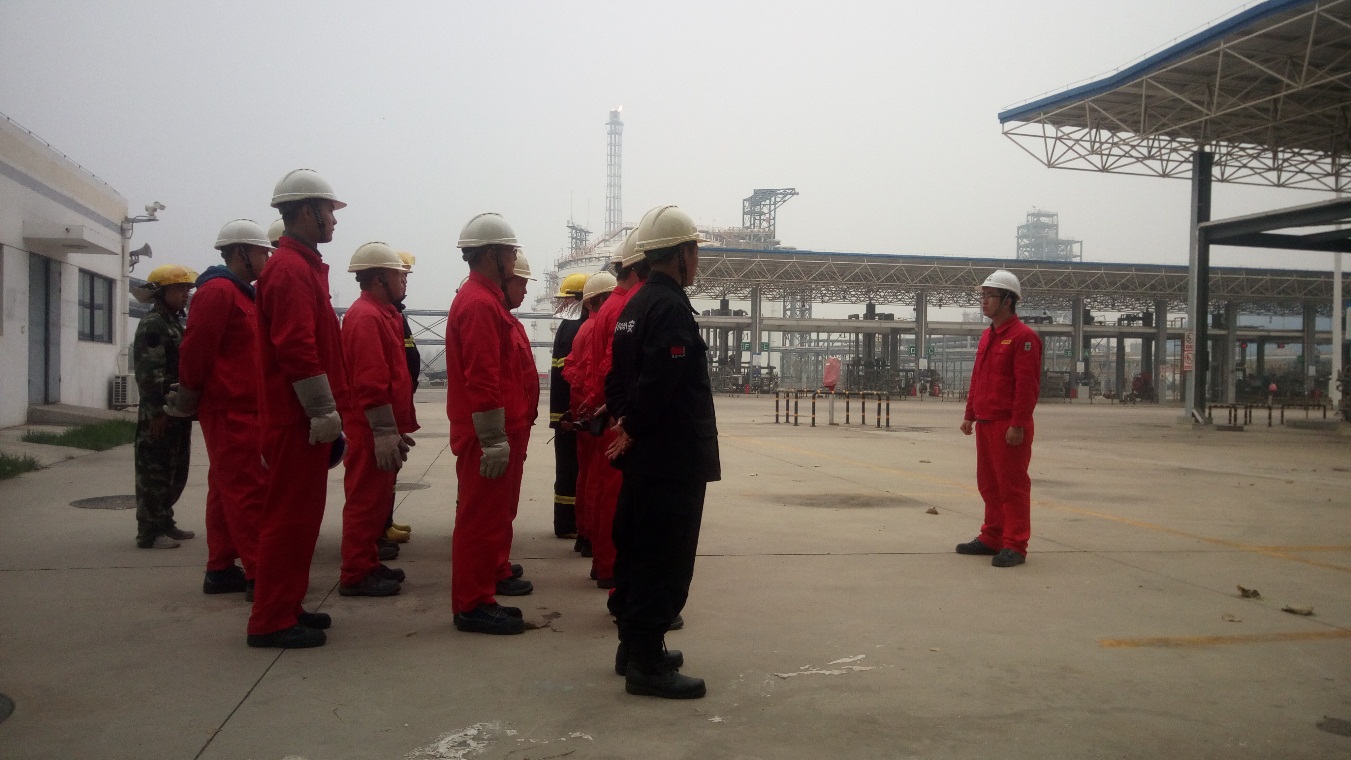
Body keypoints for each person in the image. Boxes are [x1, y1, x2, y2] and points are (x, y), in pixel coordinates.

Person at [605, 205, 719, 699]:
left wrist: (624, 422)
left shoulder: (634, 307)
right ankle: (647, 663)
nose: (697, 262)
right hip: (672, 457)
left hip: (646, 457)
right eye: (695, 252)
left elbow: (616, 379)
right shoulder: (670, 307)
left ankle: (632, 647)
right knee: (664, 558)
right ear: (682, 254)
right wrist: (632, 425)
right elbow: (662, 380)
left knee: (637, 550)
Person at [247, 168, 351, 649]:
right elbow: (296, 348)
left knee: (301, 521)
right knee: (289, 521)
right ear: (308, 211)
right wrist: (321, 411)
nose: (334, 220)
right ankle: (270, 620)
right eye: (330, 210)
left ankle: (286, 605)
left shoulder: (300, 267)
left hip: (299, 418)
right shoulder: (290, 270)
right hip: (296, 420)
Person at [166, 220, 272, 597]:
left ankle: (221, 567)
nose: (267, 259)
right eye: (262, 252)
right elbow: (196, 350)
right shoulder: (218, 292)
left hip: (243, 406)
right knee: (248, 490)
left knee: (225, 488)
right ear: (241, 252)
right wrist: (188, 397)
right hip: (230, 408)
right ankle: (262, 577)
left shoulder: (242, 294)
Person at [445, 213, 539, 635]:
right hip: (487, 435)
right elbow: (482, 378)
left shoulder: (486, 301)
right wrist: (493, 439)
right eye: (510, 252)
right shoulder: (480, 304)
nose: (515, 258)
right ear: (492, 255)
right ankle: (472, 604)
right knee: (479, 520)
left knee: (487, 518)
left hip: (497, 430)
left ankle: (480, 595)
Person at [338, 242, 417, 598]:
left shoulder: (383, 315)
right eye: (399, 275)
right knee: (365, 502)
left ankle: (368, 562)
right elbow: (371, 381)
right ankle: (355, 573)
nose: (404, 281)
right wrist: (384, 431)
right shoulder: (366, 317)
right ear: (380, 278)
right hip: (369, 428)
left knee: (377, 502)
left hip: (380, 427)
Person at [956, 269, 1043, 568]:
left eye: (989, 296)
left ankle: (1015, 544)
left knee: (1012, 486)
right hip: (985, 421)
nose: (983, 301)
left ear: (1008, 300)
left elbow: (1027, 387)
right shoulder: (987, 336)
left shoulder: (1024, 337)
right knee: (989, 485)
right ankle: (992, 537)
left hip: (1008, 425)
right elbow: (978, 379)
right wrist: (970, 414)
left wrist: (1018, 424)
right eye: (982, 296)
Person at [580, 229, 650, 589]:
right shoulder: (626, 306)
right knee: (615, 494)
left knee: (602, 487)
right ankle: (610, 566)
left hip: (604, 409)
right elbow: (614, 365)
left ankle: (601, 559)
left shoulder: (610, 307)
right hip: (616, 415)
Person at [131, 264, 198, 550]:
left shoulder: (172, 322)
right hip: (159, 412)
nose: (185, 294)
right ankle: (149, 531)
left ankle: (165, 521)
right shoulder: (153, 324)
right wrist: (156, 411)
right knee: (154, 472)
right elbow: (149, 372)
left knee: (174, 470)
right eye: (180, 289)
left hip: (175, 409)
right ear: (162, 292)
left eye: (187, 289)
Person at [562, 271, 618, 573]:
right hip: (597, 411)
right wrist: (595, 398)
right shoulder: (601, 326)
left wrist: (582, 400)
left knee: (587, 475)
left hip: (585, 409)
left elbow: (570, 368)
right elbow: (603, 370)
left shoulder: (584, 328)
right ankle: (600, 550)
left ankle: (586, 535)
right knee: (603, 481)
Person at [548, 272, 590, 540]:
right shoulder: (577, 328)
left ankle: (564, 521)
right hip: (569, 413)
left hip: (562, 412)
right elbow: (573, 376)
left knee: (566, 469)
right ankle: (568, 523)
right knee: (572, 470)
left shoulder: (567, 326)